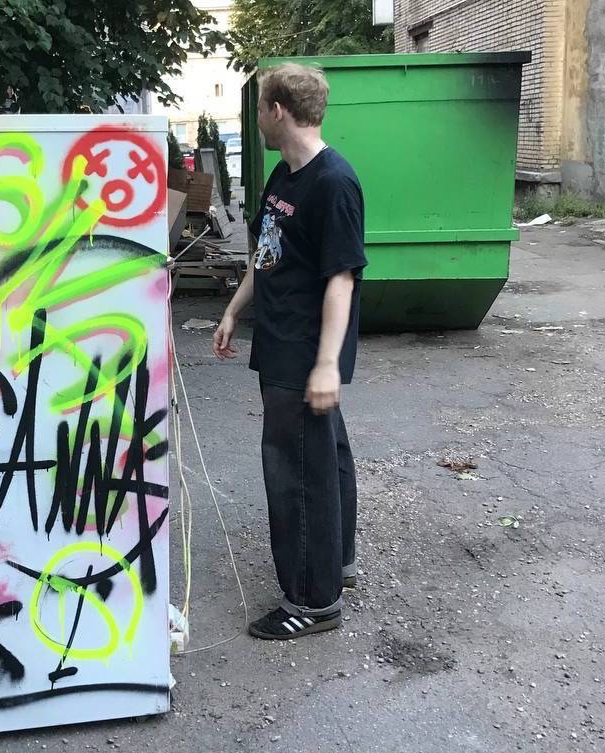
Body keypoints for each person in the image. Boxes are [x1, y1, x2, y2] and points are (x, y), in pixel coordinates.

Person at [212, 63, 367, 640]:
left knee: (296, 471)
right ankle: (337, 563)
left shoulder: (333, 182)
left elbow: (341, 279)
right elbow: (267, 253)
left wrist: (326, 364)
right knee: (325, 456)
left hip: (305, 351)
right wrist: (234, 310)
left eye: (258, 109)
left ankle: (313, 598)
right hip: (279, 340)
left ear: (277, 110)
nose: (255, 120)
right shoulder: (284, 177)